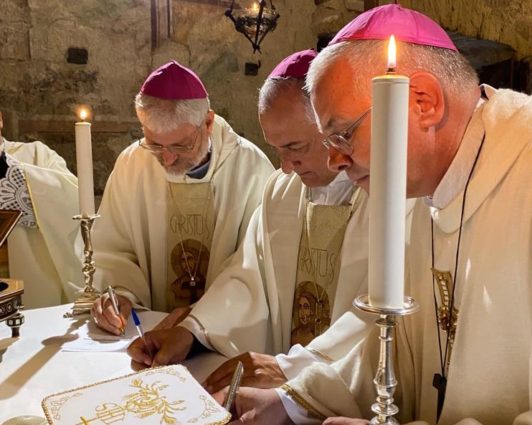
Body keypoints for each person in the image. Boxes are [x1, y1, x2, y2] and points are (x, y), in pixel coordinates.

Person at [224, 4, 532, 425]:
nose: (335, 160)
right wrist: (290, 403)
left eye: (342, 134)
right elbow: (393, 355)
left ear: (424, 102)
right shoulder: (422, 186)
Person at [128, 50, 383, 391]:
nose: (285, 167)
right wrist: (190, 332)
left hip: (352, 395)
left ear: (330, 127)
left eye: (295, 147)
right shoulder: (282, 190)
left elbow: (379, 316)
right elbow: (249, 278)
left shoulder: (388, 197)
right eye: (277, 149)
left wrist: (294, 368)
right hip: (275, 398)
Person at [91, 60, 274, 335]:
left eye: (180, 145)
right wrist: (120, 294)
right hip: (147, 330)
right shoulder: (132, 164)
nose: (167, 159)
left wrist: (204, 319)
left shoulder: (251, 169)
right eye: (154, 144)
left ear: (208, 122)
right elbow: (112, 249)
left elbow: (255, 268)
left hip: (220, 334)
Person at [0, 111, 82, 308]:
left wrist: (12, 172)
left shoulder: (36, 154)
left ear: (0, 119)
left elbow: (73, 197)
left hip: (34, 285)